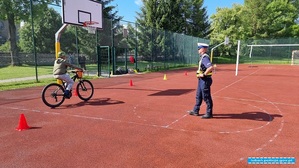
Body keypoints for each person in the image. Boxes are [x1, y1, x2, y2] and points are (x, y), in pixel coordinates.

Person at [187, 43, 214, 119]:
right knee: (198, 95)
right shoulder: (202, 57)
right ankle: (196, 110)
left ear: (203, 49)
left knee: (206, 96)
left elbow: (210, 67)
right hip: (201, 80)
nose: (198, 50)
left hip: (205, 80)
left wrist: (204, 74)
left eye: (199, 48)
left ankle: (209, 113)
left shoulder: (205, 58)